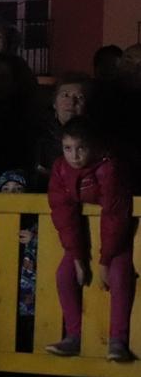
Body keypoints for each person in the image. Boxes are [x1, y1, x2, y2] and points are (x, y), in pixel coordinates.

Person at [44, 119, 135, 363]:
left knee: (119, 274)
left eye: (81, 148)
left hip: (119, 236)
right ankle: (74, 336)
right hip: (85, 236)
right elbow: (63, 213)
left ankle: (118, 340)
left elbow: (114, 215)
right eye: (68, 148)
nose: (74, 156)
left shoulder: (108, 167)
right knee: (64, 275)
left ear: (93, 146)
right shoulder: (61, 169)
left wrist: (104, 261)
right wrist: (77, 258)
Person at [32, 74, 88, 190]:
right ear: (54, 103)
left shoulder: (95, 139)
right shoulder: (37, 135)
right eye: (65, 95)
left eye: (79, 97)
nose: (71, 102)